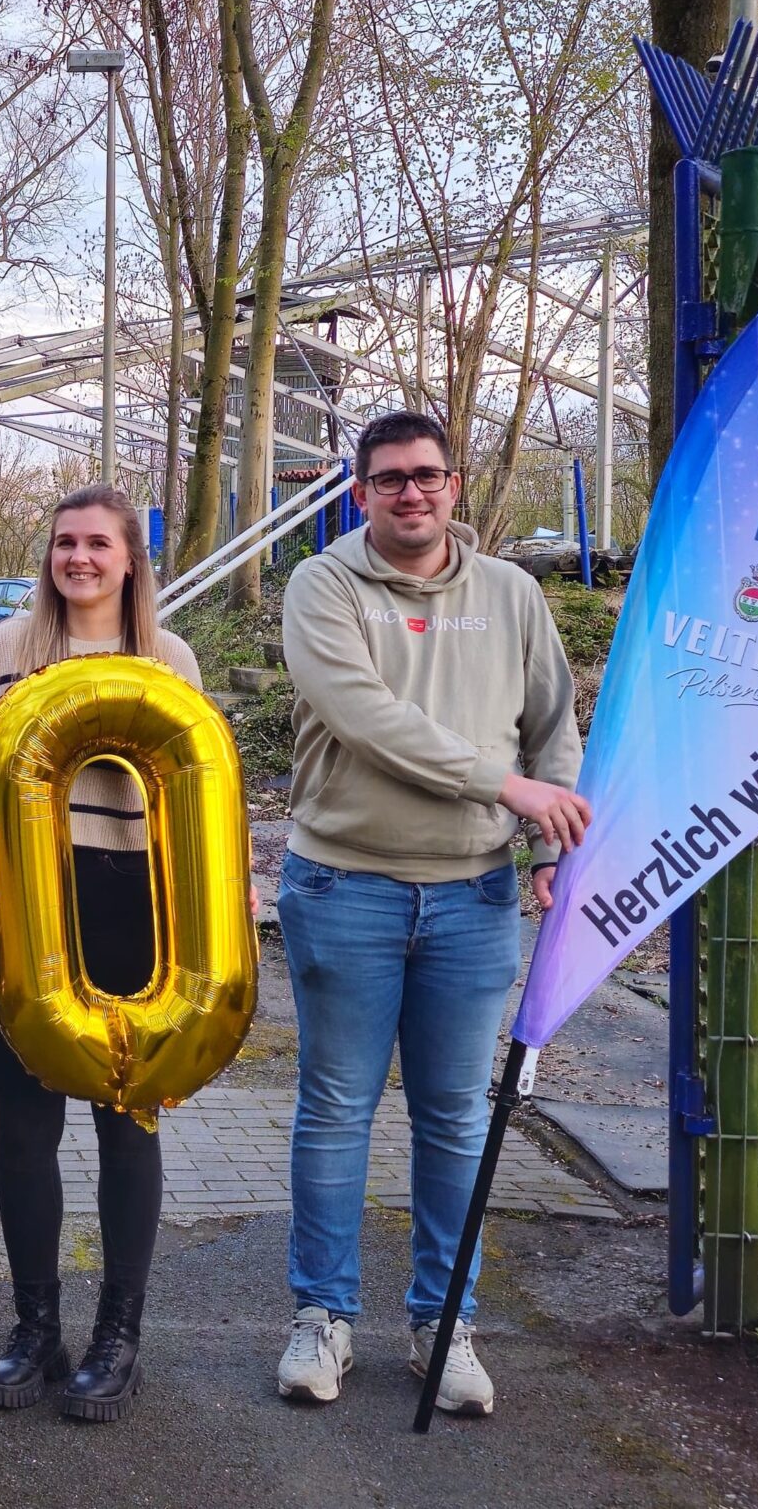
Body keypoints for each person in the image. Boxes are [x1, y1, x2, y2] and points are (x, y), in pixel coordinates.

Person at [271, 409, 589, 1417]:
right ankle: (322, 1317)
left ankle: (442, 1322)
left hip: (473, 895)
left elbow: (553, 726)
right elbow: (367, 718)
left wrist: (546, 840)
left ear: (455, 484)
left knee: (454, 1119)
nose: (411, 492)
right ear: (359, 491)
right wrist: (508, 787)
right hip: (344, 886)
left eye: (427, 475)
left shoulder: (511, 593)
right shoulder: (323, 586)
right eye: (389, 478)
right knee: (335, 1111)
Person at [0, 485, 200, 1424]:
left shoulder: (166, 660)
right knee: (24, 1125)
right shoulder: (10, 651)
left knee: (128, 1117)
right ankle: (35, 1327)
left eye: (98, 544)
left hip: (133, 903)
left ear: (131, 559)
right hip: (29, 902)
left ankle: (118, 1335)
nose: (78, 558)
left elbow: (198, 793)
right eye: (63, 543)